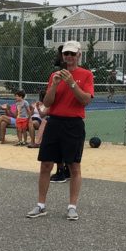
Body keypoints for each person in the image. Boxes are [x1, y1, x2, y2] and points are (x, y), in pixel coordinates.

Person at [26, 40, 94, 221]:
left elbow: (85, 100)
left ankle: (72, 207)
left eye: (72, 54)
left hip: (74, 124)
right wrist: (55, 84)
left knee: (74, 166)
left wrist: (72, 83)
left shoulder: (86, 75)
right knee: (46, 165)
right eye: (66, 54)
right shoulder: (54, 75)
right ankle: (41, 205)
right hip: (54, 122)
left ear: (79, 55)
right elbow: (47, 103)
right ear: (63, 56)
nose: (69, 57)